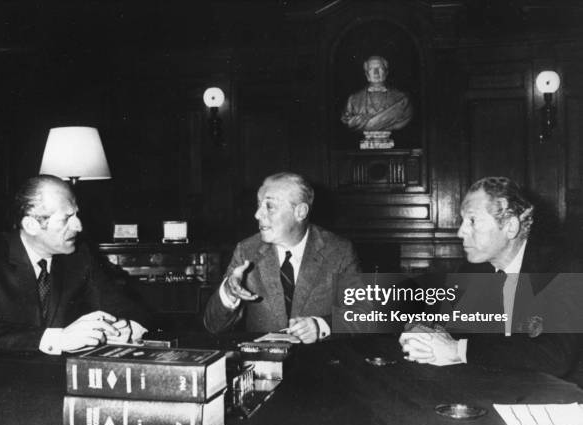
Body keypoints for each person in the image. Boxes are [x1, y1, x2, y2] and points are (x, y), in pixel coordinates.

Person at [399, 176, 582, 377]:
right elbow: (445, 322)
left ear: (510, 227)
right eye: (462, 221)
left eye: (472, 221)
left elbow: (554, 356)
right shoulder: (475, 270)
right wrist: (421, 332)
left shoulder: (561, 268)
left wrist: (458, 350)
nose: (461, 232)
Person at [0, 175, 150, 354]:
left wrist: (126, 326)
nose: (79, 226)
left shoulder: (79, 255)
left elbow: (122, 303)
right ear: (31, 225)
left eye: (76, 214)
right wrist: (57, 339)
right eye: (66, 219)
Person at [204, 172, 361, 343]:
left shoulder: (339, 250)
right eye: (258, 205)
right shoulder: (246, 250)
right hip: (263, 365)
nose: (257, 214)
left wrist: (321, 326)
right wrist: (228, 293)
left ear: (300, 212)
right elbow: (213, 326)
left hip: (322, 363)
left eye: (269, 206)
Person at [341, 55, 413, 132]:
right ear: (366, 74)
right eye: (371, 69)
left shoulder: (401, 99)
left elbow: (406, 117)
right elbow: (347, 120)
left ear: (386, 72)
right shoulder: (353, 99)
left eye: (380, 68)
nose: (376, 73)